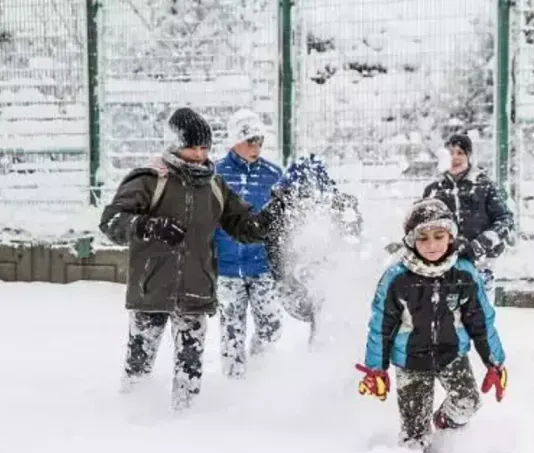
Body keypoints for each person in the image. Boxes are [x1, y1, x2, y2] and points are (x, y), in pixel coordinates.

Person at [99, 107, 286, 411]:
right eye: (192, 146)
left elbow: (243, 225)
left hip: (196, 291)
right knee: (139, 366)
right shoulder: (149, 179)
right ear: (174, 144)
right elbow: (111, 221)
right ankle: (130, 421)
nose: (200, 154)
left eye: (204, 147)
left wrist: (268, 218)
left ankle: (186, 427)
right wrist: (147, 226)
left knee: (190, 371)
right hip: (152, 290)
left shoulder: (214, 185)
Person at [355, 198, 508, 452]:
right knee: (414, 436)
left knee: (467, 402)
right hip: (411, 360)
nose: (432, 245)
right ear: (411, 241)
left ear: (451, 236)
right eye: (423, 238)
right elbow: (381, 326)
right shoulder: (397, 278)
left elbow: (482, 321)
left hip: (452, 354)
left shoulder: (464, 273)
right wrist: (376, 369)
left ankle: (447, 434)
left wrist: (495, 361)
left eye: (439, 236)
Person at [213, 109, 284, 378]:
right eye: (250, 140)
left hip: (262, 266)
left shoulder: (274, 174)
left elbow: (282, 219)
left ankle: (261, 371)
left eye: (260, 141)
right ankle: (234, 383)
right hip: (227, 268)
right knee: (231, 329)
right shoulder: (215, 174)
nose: (256, 147)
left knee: (271, 323)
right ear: (234, 140)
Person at [264, 154, 362, 335]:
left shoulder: (340, 208)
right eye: (300, 198)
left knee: (325, 314)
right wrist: (288, 279)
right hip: (295, 282)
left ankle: (321, 352)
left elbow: (351, 245)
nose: (306, 204)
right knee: (321, 315)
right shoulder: (279, 212)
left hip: (325, 277)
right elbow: (274, 252)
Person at [421, 133, 514, 304]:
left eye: (460, 153)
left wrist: (482, 243)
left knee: (479, 311)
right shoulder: (434, 190)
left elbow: (505, 219)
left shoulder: (485, 185)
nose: (455, 157)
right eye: (450, 153)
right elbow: (422, 224)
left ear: (469, 156)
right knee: (448, 315)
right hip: (446, 261)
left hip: (482, 261)